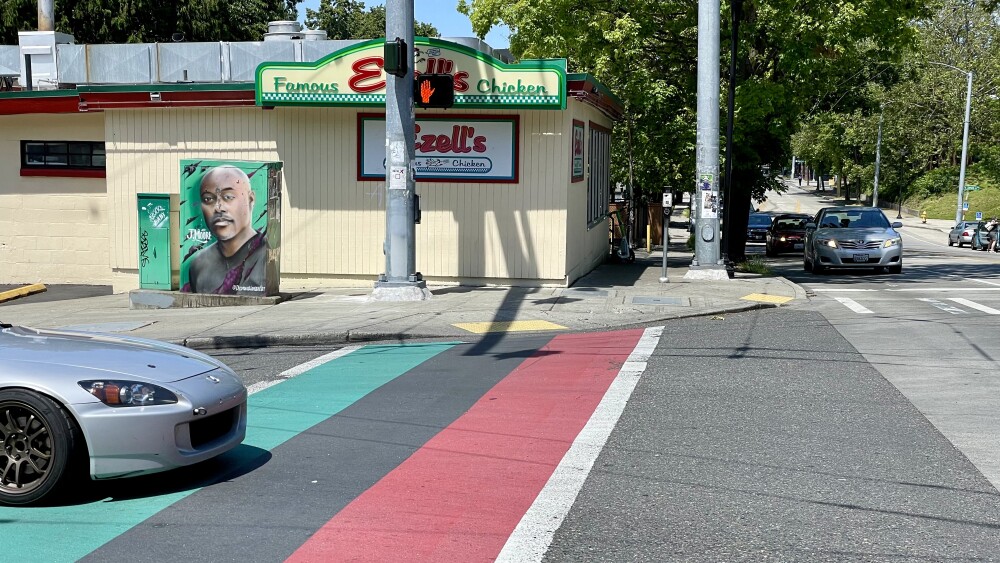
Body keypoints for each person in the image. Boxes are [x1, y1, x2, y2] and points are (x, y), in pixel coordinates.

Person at [183, 165, 268, 295]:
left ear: (250, 199)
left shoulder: (266, 255)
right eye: (208, 199)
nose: (218, 207)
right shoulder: (198, 265)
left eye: (228, 197)